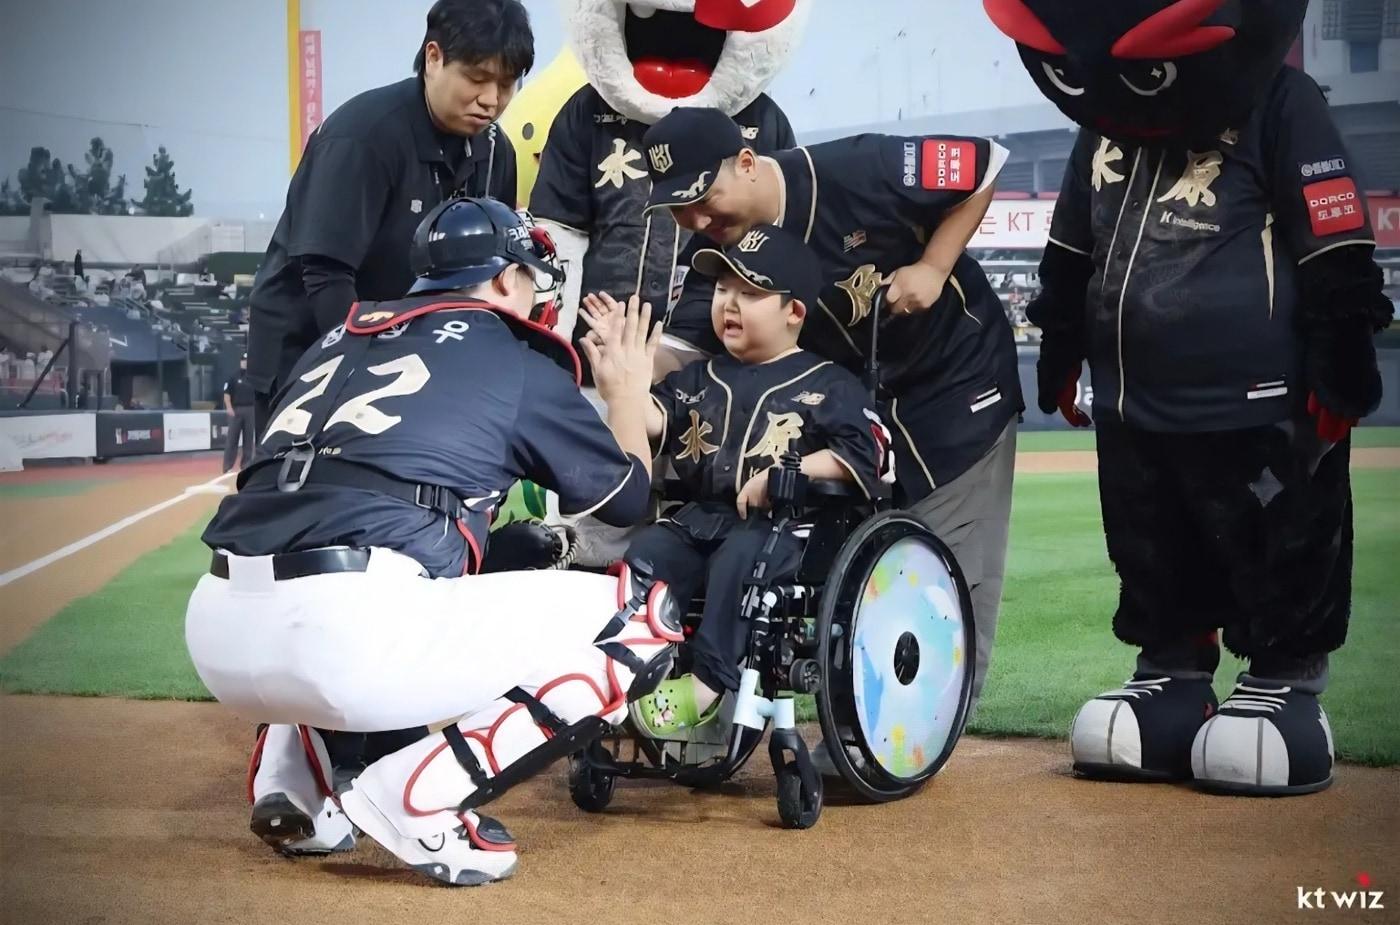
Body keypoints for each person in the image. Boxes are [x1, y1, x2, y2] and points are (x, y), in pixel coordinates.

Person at [185, 197, 680, 886]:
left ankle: (292, 773)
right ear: (507, 278)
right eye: (532, 278)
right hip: (341, 631)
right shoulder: (509, 354)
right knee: (642, 622)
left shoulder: (337, 339)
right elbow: (626, 502)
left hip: (218, 631)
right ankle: (416, 795)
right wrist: (627, 391)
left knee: (385, 561)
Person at [987, 0, 1394, 795]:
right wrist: (1062, 336)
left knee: (1278, 534)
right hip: (1134, 406)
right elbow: (1073, 242)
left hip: (1260, 409)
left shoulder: (1282, 100)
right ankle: (1171, 671)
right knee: (1150, 544)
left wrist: (1341, 345)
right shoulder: (1103, 117)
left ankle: (1286, 679)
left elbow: (1336, 237)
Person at [641, 108, 1021, 717]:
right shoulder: (717, 249)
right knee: (835, 561)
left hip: (953, 389)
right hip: (851, 402)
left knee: (940, 571)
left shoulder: (855, 169)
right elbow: (680, 354)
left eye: (704, 198)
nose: (697, 220)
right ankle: (833, 717)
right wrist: (623, 369)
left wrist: (935, 264)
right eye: (680, 209)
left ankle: (916, 732)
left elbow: (983, 161)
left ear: (745, 162)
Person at [581, 225, 889, 734]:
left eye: (750, 292)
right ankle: (625, 672)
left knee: (740, 560)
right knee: (647, 555)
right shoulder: (700, 378)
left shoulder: (828, 383)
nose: (730, 302)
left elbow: (869, 454)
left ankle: (706, 684)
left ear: (794, 312)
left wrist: (786, 472)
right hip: (702, 519)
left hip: (785, 529)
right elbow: (651, 421)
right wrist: (625, 385)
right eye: (723, 290)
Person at [245, 0, 528, 434]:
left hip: (410, 357)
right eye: (477, 78)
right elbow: (324, 276)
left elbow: (488, 276)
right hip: (309, 354)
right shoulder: (363, 136)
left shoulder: (496, 152)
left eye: (507, 85)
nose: (491, 100)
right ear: (433, 57)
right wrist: (375, 372)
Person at [221, 354, 257, 473]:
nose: (245, 363)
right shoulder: (233, 376)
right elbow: (227, 394)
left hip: (250, 410)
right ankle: (228, 466)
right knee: (232, 439)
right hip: (236, 410)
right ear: (240, 361)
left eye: (247, 361)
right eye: (244, 360)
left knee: (248, 439)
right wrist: (229, 408)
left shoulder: (253, 377)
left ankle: (246, 465)